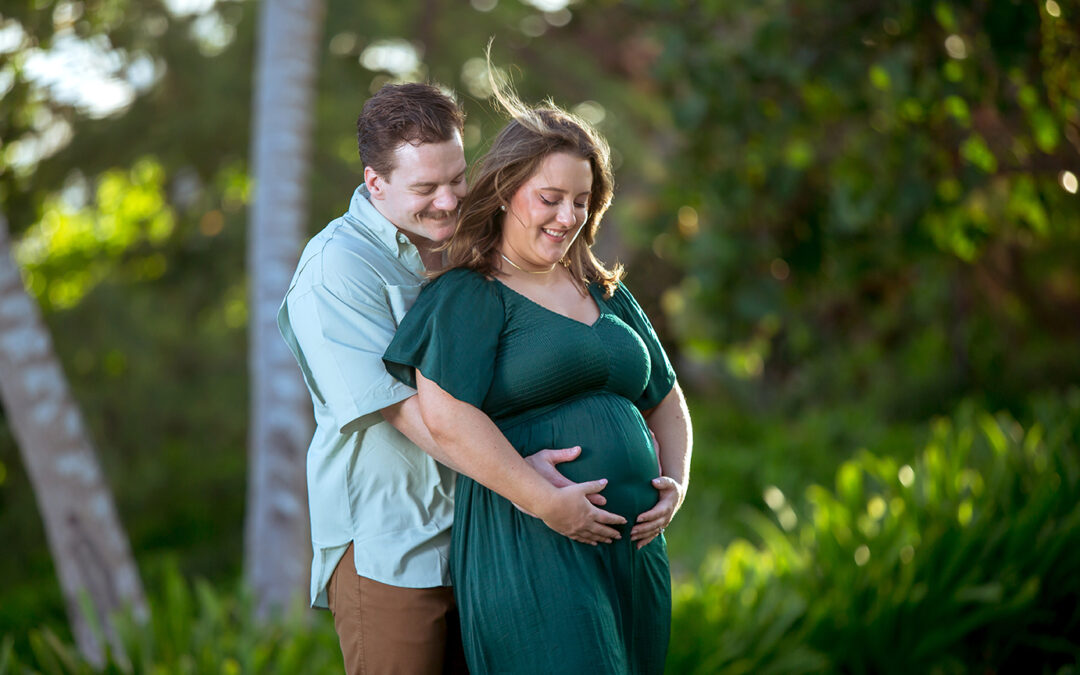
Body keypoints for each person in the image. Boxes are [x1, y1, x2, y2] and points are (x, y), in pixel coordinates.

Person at [278, 82, 621, 675]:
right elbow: (411, 412)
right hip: (393, 549)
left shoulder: (461, 246)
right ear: (374, 182)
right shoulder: (336, 269)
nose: (447, 201)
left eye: (456, 179)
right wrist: (529, 485)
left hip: (480, 534)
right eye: (424, 189)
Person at [383, 91, 693, 673]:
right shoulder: (470, 295)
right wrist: (547, 503)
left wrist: (674, 482)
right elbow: (447, 419)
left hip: (636, 551)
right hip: (533, 540)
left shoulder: (606, 293)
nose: (568, 216)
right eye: (550, 199)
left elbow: (667, 398)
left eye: (582, 201)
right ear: (504, 192)